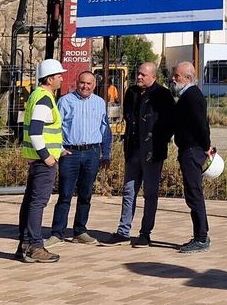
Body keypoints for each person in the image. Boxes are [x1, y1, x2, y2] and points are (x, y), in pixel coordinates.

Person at [106, 61, 175, 248]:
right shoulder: (131, 92)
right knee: (129, 191)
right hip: (133, 151)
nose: (139, 77)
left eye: (143, 74)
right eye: (138, 73)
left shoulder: (163, 95)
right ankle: (123, 231)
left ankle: (145, 233)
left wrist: (157, 141)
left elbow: (170, 123)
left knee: (150, 194)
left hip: (153, 152)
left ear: (153, 76)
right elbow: (129, 118)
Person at [50, 70, 112, 245]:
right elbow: (56, 127)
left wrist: (106, 153)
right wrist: (60, 149)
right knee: (65, 194)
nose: (85, 86)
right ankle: (57, 233)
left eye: (89, 83)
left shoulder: (100, 103)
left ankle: (80, 231)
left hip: (92, 153)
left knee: (86, 195)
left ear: (94, 85)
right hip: (70, 153)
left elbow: (105, 129)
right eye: (82, 83)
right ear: (77, 83)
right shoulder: (65, 101)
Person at [14, 59, 66, 264]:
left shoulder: (36, 95)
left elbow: (43, 131)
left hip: (37, 159)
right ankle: (35, 246)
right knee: (38, 203)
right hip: (43, 161)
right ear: (50, 79)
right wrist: (47, 156)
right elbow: (36, 132)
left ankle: (25, 244)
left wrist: (59, 150)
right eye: (59, 75)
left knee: (30, 201)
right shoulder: (44, 98)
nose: (62, 79)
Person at [171, 61, 213, 254]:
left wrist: (206, 146)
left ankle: (201, 237)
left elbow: (201, 125)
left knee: (194, 193)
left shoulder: (192, 96)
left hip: (192, 150)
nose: (174, 79)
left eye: (177, 76)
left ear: (187, 78)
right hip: (190, 149)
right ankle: (201, 234)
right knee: (193, 193)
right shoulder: (188, 96)